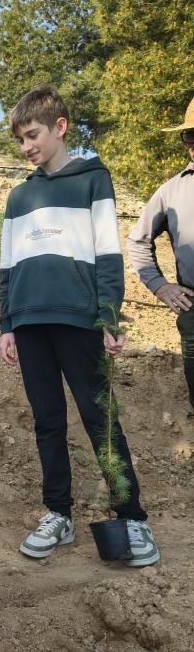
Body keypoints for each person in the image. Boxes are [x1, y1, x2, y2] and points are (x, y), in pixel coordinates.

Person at [0, 85, 159, 566]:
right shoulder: (18, 196)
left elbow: (108, 253)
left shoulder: (93, 181)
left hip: (78, 320)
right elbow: (7, 266)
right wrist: (7, 323)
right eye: (21, 139)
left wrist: (109, 315)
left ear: (60, 127)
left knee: (100, 419)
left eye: (33, 135)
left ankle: (133, 518)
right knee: (47, 422)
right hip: (28, 324)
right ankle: (58, 515)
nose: (27, 147)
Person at [126, 95, 194, 413]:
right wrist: (160, 285)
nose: (193, 142)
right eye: (189, 135)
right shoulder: (171, 191)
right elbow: (138, 242)